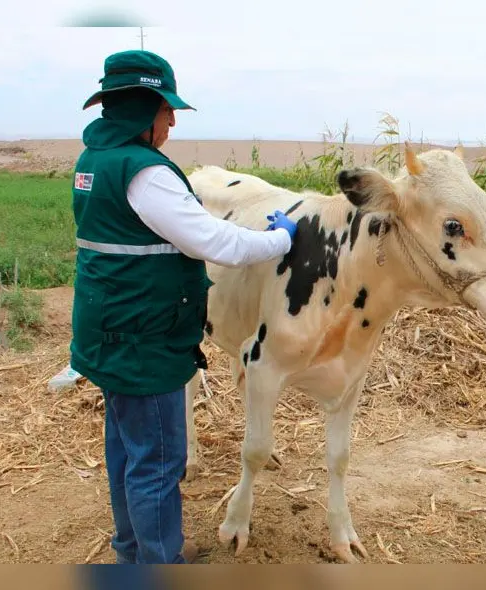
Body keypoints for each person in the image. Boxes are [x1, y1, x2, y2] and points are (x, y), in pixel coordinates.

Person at [70, 49, 299, 564]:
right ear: (138, 110)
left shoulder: (93, 161)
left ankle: (137, 547)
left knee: (126, 449)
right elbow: (215, 243)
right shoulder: (145, 173)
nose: (172, 119)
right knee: (158, 458)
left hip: (106, 328)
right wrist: (279, 239)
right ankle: (158, 559)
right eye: (164, 109)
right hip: (143, 340)